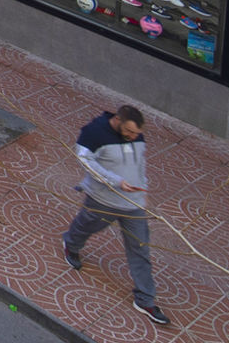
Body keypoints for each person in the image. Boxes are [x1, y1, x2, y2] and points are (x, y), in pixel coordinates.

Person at [62, 104, 167, 326]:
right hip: (103, 200)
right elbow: (85, 161)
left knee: (140, 248)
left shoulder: (137, 137)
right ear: (117, 120)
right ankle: (71, 244)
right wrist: (115, 181)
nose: (132, 136)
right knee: (87, 226)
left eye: (136, 133)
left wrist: (143, 190)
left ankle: (145, 299)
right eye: (129, 131)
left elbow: (140, 166)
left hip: (133, 204)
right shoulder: (94, 133)